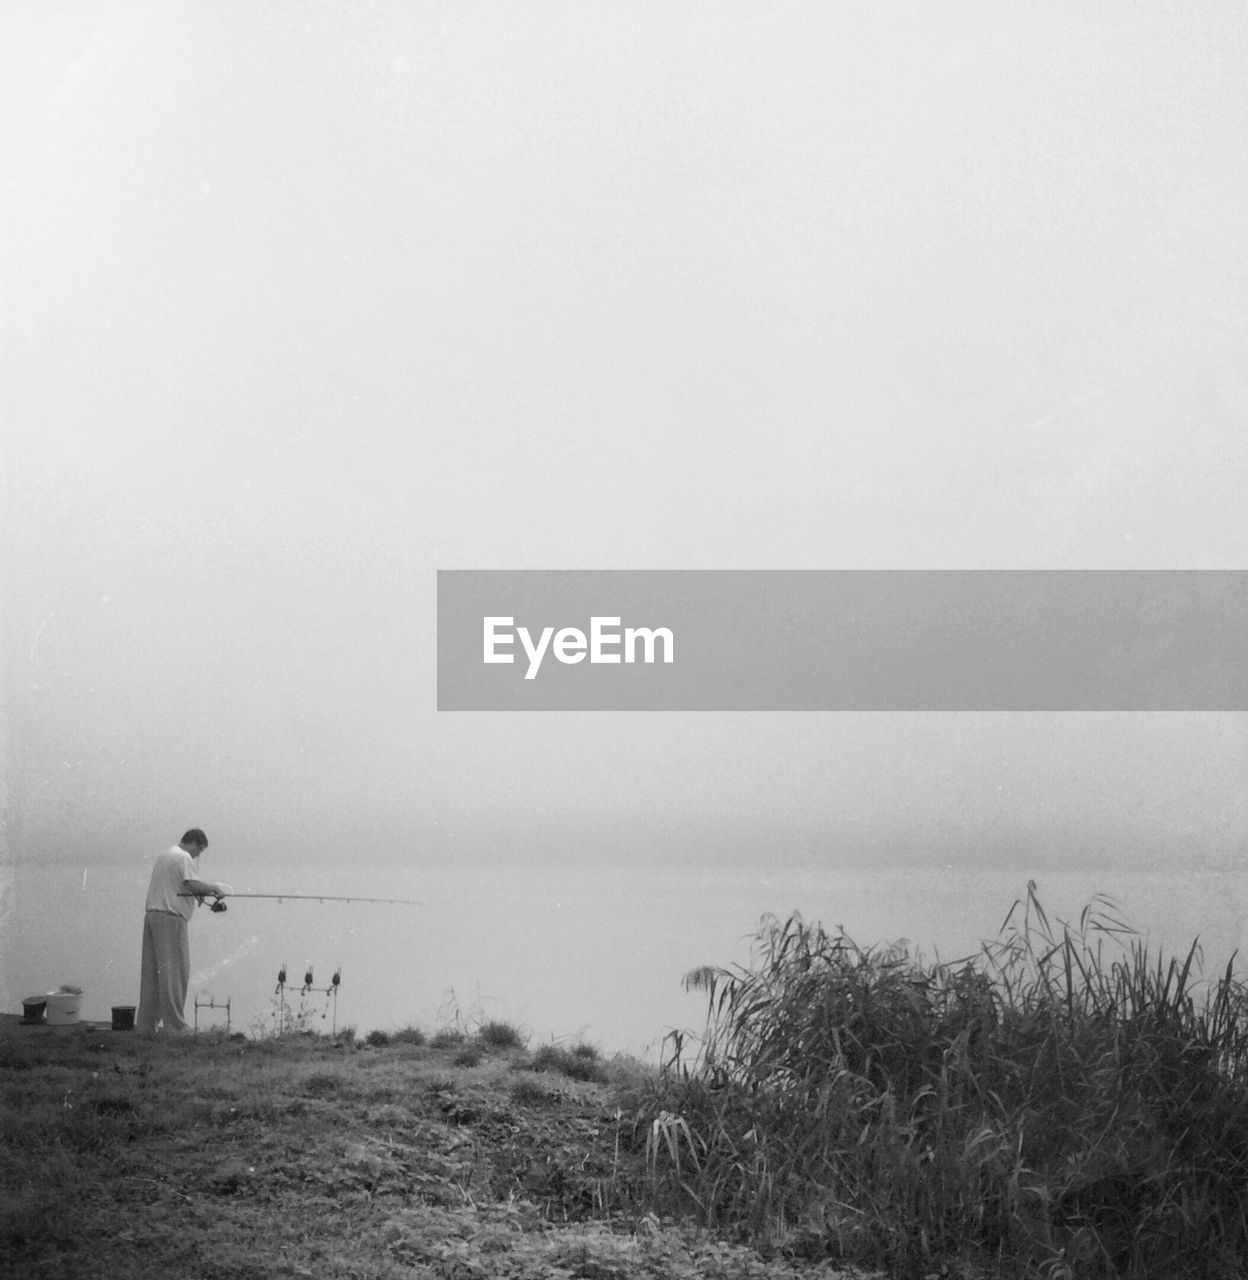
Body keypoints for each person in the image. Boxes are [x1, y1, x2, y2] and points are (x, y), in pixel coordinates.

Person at [136, 829, 231, 1033]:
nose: (198, 856)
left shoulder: (165, 856)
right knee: (175, 973)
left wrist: (197, 896)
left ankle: (145, 1027)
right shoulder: (183, 856)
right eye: (200, 850)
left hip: (153, 917)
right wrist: (214, 888)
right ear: (195, 843)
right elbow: (192, 883)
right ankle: (176, 1027)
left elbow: (176, 887)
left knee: (153, 975)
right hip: (171, 921)